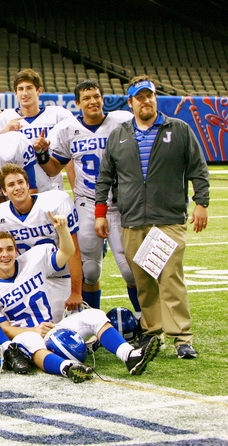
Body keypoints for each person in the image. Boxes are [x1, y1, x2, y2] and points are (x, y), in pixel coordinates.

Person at [95, 76, 209, 359]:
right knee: (143, 280)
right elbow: (105, 176)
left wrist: (201, 203)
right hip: (132, 218)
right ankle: (152, 330)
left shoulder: (178, 129)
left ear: (155, 98)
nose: (146, 101)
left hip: (167, 217)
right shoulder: (119, 135)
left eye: (150, 96)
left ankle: (181, 337)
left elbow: (198, 167)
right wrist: (99, 213)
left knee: (170, 277)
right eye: (140, 97)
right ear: (131, 103)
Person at [0, 224, 159, 383]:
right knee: (31, 342)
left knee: (94, 315)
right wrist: (34, 330)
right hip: (25, 335)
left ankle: (130, 355)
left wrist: (62, 229)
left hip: (54, 326)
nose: (5, 255)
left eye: (9, 249)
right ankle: (68, 369)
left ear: (16, 251)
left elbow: (67, 251)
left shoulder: (33, 261)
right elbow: (4, 329)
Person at [41, 79, 135, 311]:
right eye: (87, 98)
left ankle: (145, 320)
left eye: (96, 96)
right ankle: (94, 320)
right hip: (88, 204)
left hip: (120, 203)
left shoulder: (123, 122)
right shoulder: (67, 130)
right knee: (90, 270)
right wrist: (43, 155)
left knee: (130, 270)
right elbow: (53, 169)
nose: (93, 101)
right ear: (78, 103)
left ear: (102, 98)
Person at [0, 164, 83, 311]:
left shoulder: (56, 203)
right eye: (11, 185)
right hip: (24, 279)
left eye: (20, 182)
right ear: (4, 191)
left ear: (28, 185)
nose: (17, 188)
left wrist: (76, 292)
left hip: (57, 276)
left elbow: (73, 250)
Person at [0, 68, 74, 191]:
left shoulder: (59, 115)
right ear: (15, 93)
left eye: (29, 88)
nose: (24, 93)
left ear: (39, 91)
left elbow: (71, 154)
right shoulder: (4, 119)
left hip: (52, 187)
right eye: (20, 89)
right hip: (20, 188)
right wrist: (4, 131)